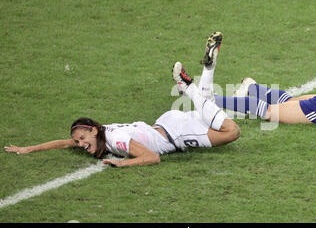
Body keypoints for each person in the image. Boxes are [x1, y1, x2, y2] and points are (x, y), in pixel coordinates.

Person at [4, 32, 240, 167]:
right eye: (79, 142)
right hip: (168, 125)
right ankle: (206, 72)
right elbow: (63, 142)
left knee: (232, 132)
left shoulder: (115, 140)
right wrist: (29, 149)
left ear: (94, 131)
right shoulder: (102, 134)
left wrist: (121, 163)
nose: (81, 145)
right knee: (212, 113)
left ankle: (188, 87)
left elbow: (152, 157)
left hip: (175, 132)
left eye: (82, 139)